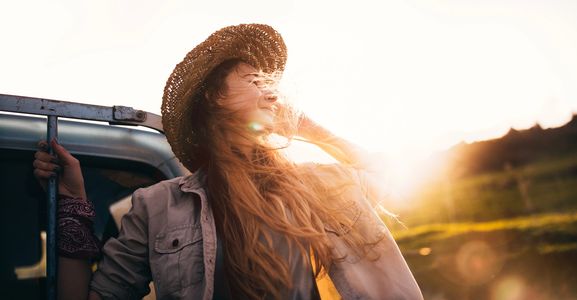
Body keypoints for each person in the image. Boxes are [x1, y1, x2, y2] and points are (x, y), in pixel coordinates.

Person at [33, 24, 423, 300]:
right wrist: (73, 200)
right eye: (254, 80)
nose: (269, 91)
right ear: (213, 99)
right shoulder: (157, 205)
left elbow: (386, 178)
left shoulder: (313, 188)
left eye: (267, 84)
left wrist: (310, 129)